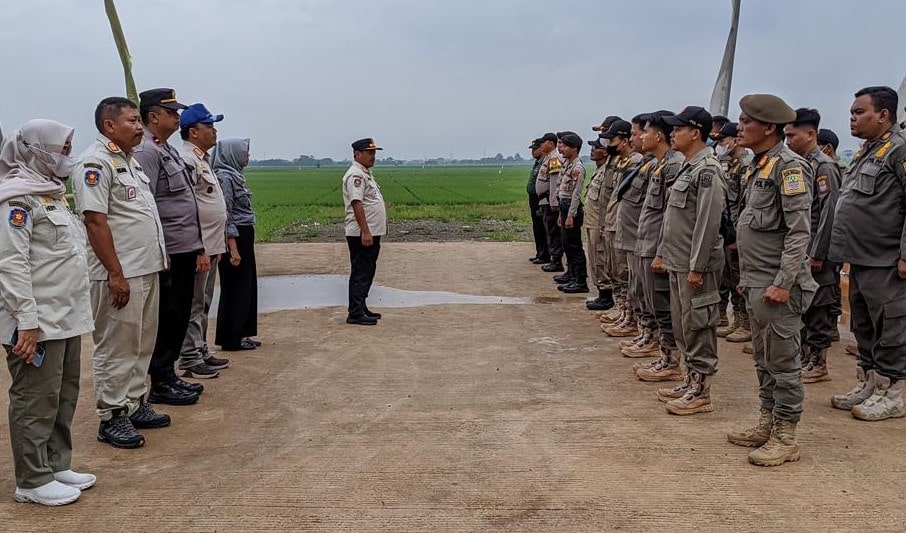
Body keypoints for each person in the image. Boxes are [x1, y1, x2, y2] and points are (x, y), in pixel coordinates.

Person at [0, 120, 95, 505]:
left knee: (62, 394)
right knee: (34, 399)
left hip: (65, 317)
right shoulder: (16, 200)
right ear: (37, 151)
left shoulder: (51, 194)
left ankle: (55, 464)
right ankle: (32, 480)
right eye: (61, 149)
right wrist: (26, 321)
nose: (67, 156)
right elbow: (11, 264)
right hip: (36, 322)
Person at [72, 97, 169, 449]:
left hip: (145, 268)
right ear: (109, 125)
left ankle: (134, 403)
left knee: (141, 342)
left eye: (140, 121)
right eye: (132, 121)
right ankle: (112, 415)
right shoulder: (95, 163)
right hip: (119, 273)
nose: (140, 127)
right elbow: (95, 221)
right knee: (116, 346)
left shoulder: (128, 161)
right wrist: (115, 273)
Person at [728, 94, 816, 467]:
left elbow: (798, 232)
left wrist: (783, 282)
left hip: (779, 286)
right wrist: (747, 278)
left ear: (768, 127)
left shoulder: (789, 167)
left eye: (746, 121)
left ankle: (786, 435)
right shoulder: (758, 165)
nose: (739, 128)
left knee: (783, 362)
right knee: (764, 360)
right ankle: (767, 422)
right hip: (757, 281)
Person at [830, 86, 906, 421]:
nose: (852, 118)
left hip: (886, 259)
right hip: (860, 257)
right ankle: (869, 384)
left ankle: (892, 393)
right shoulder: (867, 151)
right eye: (851, 112)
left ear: (884, 115)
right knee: (864, 326)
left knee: (890, 329)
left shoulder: (899, 149)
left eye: (859, 112)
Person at [132, 89, 207, 407]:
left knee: (178, 314)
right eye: (171, 112)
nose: (177, 117)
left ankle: (169, 374)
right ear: (153, 116)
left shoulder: (167, 149)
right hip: (170, 250)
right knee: (167, 315)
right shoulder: (147, 152)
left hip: (185, 247)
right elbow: (146, 205)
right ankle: (161, 380)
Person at [654, 106, 725, 415]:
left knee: (699, 326)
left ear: (695, 133)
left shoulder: (708, 169)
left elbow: (708, 223)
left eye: (678, 129)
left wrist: (697, 266)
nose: (673, 134)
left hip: (696, 266)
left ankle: (701, 391)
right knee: (683, 325)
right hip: (679, 261)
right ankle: (689, 380)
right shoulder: (689, 167)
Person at [784, 108, 841, 383]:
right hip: (802, 249)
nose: (788, 141)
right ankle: (805, 357)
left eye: (792, 136)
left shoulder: (824, 166)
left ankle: (818, 363)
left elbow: (828, 212)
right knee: (803, 306)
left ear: (810, 134)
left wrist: (818, 253)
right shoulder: (799, 164)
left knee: (818, 307)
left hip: (817, 251)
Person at [177, 104, 231, 378]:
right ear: (193, 132)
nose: (214, 131)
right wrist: (199, 248)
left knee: (205, 300)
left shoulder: (202, 159)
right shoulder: (186, 160)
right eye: (209, 126)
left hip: (211, 245)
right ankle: (189, 357)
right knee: (194, 302)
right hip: (199, 247)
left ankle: (201, 349)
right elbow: (188, 207)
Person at [633, 112, 686, 380]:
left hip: (657, 248)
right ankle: (664, 355)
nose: (642, 137)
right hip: (647, 243)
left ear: (658, 136)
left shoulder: (674, 166)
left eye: (645, 132)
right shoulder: (658, 164)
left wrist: (662, 252)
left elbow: (670, 214)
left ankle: (671, 361)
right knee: (653, 303)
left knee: (664, 307)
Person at [613, 114, 658, 346]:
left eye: (636, 133)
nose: (633, 139)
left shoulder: (662, 167)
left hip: (647, 242)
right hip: (635, 238)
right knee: (636, 287)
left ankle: (654, 339)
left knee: (650, 293)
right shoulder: (646, 164)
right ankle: (642, 329)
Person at [213, 138, 260, 342]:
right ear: (232, 154)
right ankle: (232, 337)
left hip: (244, 234)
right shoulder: (224, 177)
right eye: (244, 153)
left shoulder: (236, 176)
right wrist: (233, 247)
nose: (247, 156)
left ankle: (243, 333)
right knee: (235, 287)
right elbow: (226, 215)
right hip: (235, 237)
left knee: (246, 286)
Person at [600, 120, 643, 336]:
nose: (609, 144)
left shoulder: (636, 162)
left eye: (613, 140)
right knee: (615, 270)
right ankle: (622, 310)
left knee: (625, 272)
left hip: (623, 224)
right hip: (612, 220)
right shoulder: (620, 161)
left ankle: (630, 317)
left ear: (624, 141)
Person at [713, 122, 754, 342]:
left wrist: (738, 234)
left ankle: (746, 324)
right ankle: (736, 320)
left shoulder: (746, 164)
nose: (720, 145)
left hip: (738, 231)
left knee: (740, 278)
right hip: (728, 229)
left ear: (735, 141)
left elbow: (745, 202)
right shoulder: (732, 164)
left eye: (722, 141)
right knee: (729, 277)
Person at [342, 138, 387, 325]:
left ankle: (361, 305)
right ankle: (355, 312)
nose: (373, 156)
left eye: (374, 153)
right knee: (361, 272)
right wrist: (365, 231)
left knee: (368, 270)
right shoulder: (356, 175)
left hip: (370, 232)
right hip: (361, 233)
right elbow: (357, 203)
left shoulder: (365, 173)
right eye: (369, 153)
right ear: (357, 154)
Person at [583, 130, 617, 310]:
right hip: (592, 221)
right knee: (594, 258)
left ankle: (606, 295)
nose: (592, 150)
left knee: (600, 259)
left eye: (596, 147)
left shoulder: (608, 171)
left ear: (604, 151)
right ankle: (601, 292)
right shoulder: (599, 170)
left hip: (599, 223)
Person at [554, 133, 588, 293]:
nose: (562, 149)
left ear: (574, 148)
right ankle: (571, 274)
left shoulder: (577, 167)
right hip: (564, 206)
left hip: (570, 207)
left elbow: (576, 194)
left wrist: (570, 215)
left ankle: (580, 280)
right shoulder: (568, 164)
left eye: (566, 146)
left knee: (574, 245)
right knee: (566, 244)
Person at [534, 133, 564, 273]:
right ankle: (554, 258)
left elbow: (554, 182)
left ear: (551, 144)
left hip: (549, 201)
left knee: (553, 232)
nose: (541, 145)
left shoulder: (554, 159)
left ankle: (556, 260)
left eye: (543, 142)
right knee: (549, 231)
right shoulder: (548, 158)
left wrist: (553, 202)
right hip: (544, 200)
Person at [526, 138, 549, 265]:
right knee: (537, 226)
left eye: (535, 149)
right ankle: (540, 252)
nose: (533, 152)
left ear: (541, 148)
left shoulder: (545, 162)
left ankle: (544, 254)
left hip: (540, 199)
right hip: (534, 198)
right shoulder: (538, 163)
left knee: (541, 227)